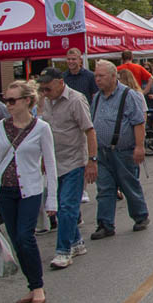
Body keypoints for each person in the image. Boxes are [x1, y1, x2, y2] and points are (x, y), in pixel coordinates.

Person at [0, 81, 56, 303]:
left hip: (30, 190)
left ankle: (38, 286)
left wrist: (52, 199)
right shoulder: (0, 127)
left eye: (12, 100)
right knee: (16, 240)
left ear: (27, 101)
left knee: (26, 237)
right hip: (4, 190)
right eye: (6, 100)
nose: (8, 105)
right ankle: (31, 284)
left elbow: (51, 165)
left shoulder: (41, 128)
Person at [36, 68, 97, 271]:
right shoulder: (46, 100)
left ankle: (63, 251)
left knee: (66, 208)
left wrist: (91, 161)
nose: (44, 91)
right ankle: (77, 243)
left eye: (48, 87)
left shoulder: (75, 100)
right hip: (55, 162)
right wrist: (44, 158)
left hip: (74, 162)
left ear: (60, 82)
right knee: (64, 206)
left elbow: (89, 131)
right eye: (42, 88)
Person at [89, 60, 149, 238]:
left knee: (129, 184)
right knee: (105, 188)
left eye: (101, 76)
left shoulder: (128, 95)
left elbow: (138, 122)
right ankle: (105, 224)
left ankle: (140, 216)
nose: (97, 79)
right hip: (103, 151)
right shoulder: (97, 97)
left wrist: (139, 146)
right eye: (96, 76)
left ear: (114, 76)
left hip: (123, 151)